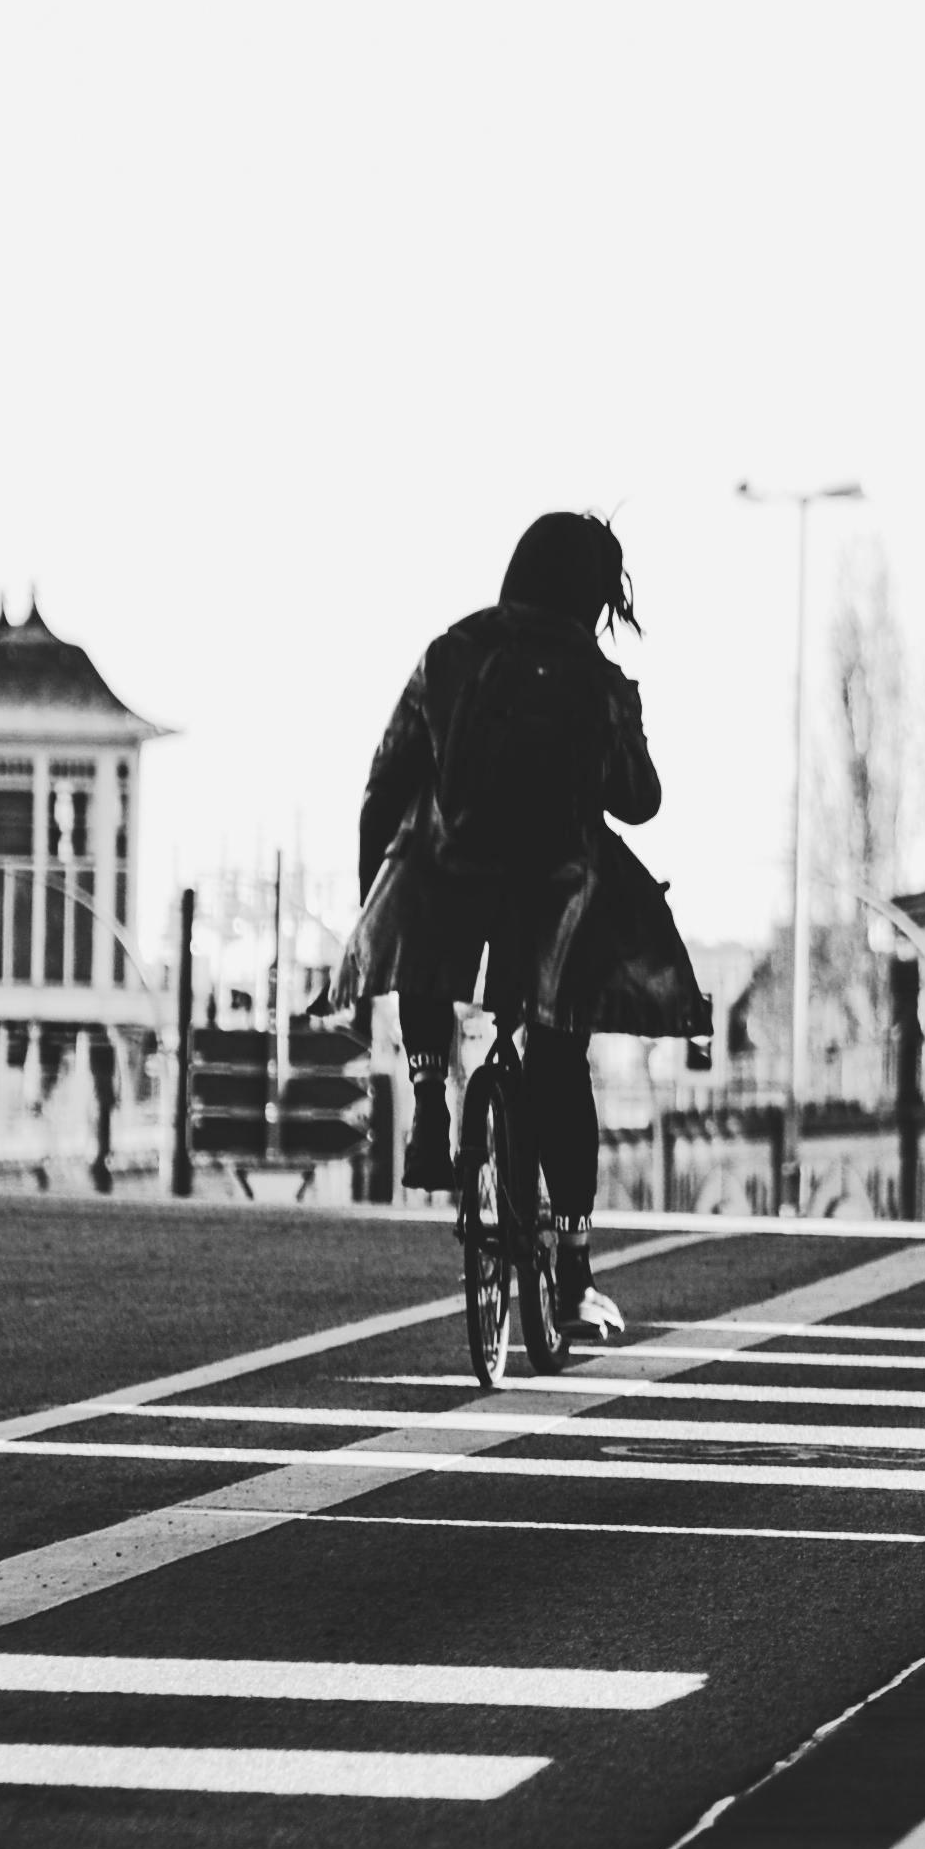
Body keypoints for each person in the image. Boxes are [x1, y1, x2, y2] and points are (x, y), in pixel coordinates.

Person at [356, 510, 662, 1344]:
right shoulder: (592, 674)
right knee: (561, 1060)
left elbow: (387, 781)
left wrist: (371, 914)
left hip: (453, 877)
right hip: (554, 890)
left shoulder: (451, 653)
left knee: (422, 911)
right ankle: (571, 1269)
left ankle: (427, 1094)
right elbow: (641, 798)